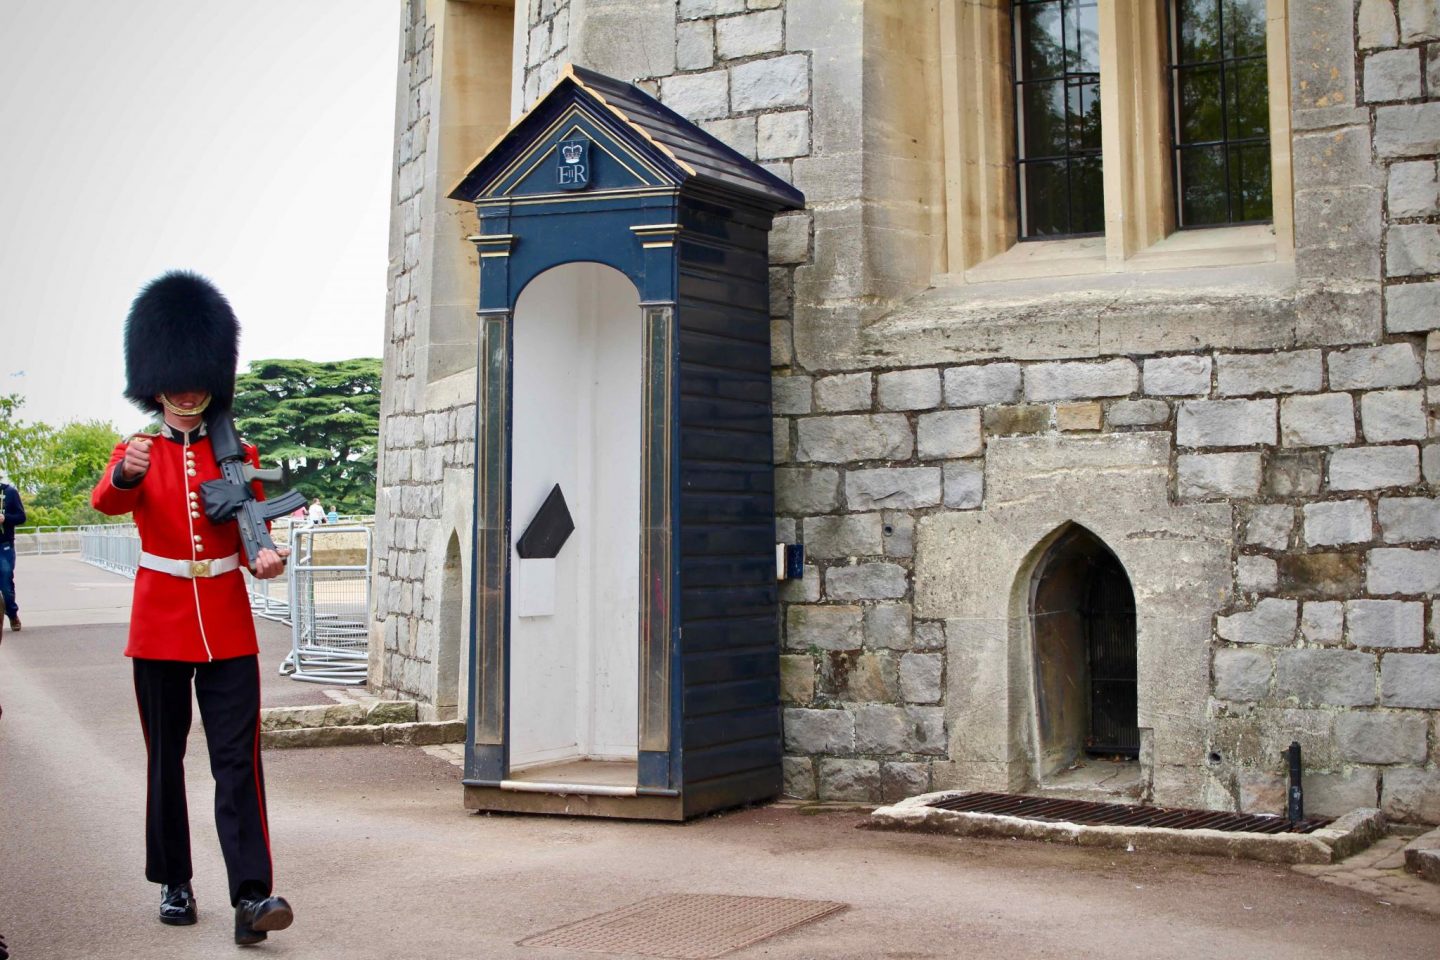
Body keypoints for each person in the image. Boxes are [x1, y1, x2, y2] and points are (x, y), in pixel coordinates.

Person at [91, 271, 295, 946]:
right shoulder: (136, 453)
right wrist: (126, 471)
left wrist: (264, 558)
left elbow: (250, 535)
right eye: (174, 380)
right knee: (165, 759)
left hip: (228, 625)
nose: (186, 390)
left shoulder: (239, 454)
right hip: (160, 623)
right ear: (155, 382)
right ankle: (175, 880)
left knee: (239, 763)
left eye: (196, 377)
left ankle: (252, 895)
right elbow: (107, 501)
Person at [0, 471, 25, 631]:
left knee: (5, 584)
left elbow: (21, 517)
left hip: (4, 545)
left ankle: (12, 614)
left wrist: (5, 518)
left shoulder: (9, 492)